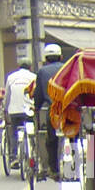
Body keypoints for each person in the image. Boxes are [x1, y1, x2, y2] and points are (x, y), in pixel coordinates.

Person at [31, 42, 64, 178]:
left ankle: (54, 169)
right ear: (61, 57)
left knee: (52, 140)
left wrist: (36, 108)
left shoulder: (42, 72)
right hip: (70, 110)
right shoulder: (66, 68)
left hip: (54, 112)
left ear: (46, 59)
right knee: (75, 137)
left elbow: (38, 94)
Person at [1, 60, 36, 169]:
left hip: (14, 111)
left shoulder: (11, 77)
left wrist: (5, 109)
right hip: (29, 111)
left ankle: (14, 156)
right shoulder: (33, 77)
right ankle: (33, 154)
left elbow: (7, 96)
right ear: (30, 67)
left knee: (14, 132)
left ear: (19, 66)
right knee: (32, 132)